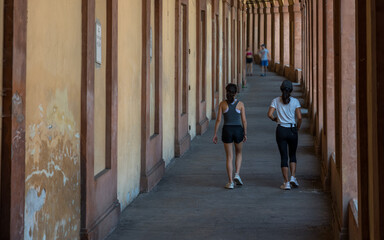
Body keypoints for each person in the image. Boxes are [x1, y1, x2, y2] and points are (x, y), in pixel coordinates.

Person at [267, 80, 302, 190]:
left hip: (281, 129)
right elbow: (300, 118)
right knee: (292, 154)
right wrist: (297, 128)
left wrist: (275, 119)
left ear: (281, 89)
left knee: (283, 156)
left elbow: (269, 114)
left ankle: (286, 182)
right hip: (292, 129)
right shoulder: (295, 101)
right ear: (291, 90)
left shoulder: (276, 100)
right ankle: (293, 177)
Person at [213, 83, 247, 189]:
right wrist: (245, 133)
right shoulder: (240, 104)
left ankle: (230, 182)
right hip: (238, 130)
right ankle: (237, 173)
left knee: (229, 157)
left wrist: (215, 134)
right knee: (239, 153)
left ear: (226, 92)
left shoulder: (222, 104)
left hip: (227, 130)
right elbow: (244, 121)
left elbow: (218, 120)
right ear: (236, 93)